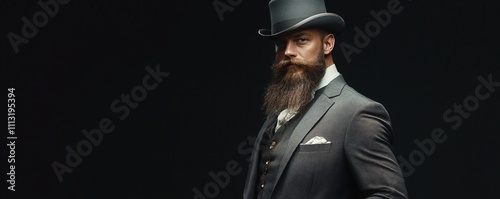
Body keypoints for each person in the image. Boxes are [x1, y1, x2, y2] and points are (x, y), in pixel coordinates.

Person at [243, 0, 409, 198]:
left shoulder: (357, 113)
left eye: (301, 40)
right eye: (280, 43)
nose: (288, 51)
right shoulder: (276, 116)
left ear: (328, 44)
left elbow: (390, 195)